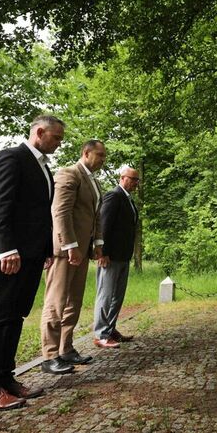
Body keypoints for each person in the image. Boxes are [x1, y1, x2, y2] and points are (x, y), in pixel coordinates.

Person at [0, 115, 65, 410]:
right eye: (57, 137)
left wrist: (46, 249)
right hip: (9, 255)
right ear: (40, 132)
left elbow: (39, 214)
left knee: (15, 317)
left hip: (32, 254)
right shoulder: (12, 158)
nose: (59, 143)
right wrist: (6, 248)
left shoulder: (44, 168)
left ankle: (6, 379)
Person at [40, 140, 107, 374]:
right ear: (86, 153)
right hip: (65, 251)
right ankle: (49, 356)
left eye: (104, 156)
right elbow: (60, 212)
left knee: (73, 303)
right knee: (56, 303)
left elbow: (96, 216)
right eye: (99, 155)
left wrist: (97, 243)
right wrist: (70, 245)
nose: (102, 160)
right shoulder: (69, 174)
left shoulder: (94, 181)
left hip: (82, 250)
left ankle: (65, 349)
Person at [93, 166, 140, 348]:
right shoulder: (114, 196)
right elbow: (105, 225)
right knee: (105, 295)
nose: (136, 183)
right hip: (110, 256)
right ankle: (101, 334)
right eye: (133, 179)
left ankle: (110, 329)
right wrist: (103, 252)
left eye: (137, 180)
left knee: (117, 296)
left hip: (123, 256)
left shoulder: (128, 199)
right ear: (122, 178)